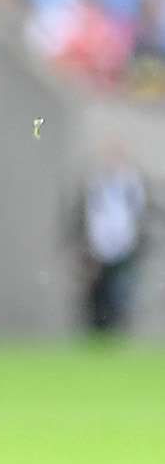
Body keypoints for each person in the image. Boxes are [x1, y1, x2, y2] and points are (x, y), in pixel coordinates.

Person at [76, 142, 149, 336]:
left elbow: (141, 214)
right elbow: (84, 215)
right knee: (96, 299)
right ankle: (97, 338)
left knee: (119, 296)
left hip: (124, 248)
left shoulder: (131, 185)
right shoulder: (94, 184)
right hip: (96, 250)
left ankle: (116, 336)